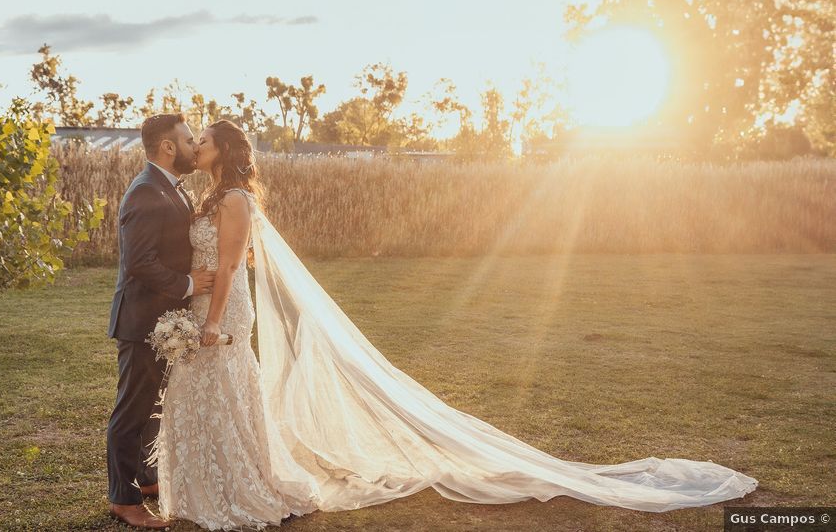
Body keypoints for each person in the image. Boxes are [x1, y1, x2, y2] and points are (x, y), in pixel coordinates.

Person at [147, 119, 759, 530]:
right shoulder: (210, 197)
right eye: (191, 140)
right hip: (203, 306)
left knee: (224, 385)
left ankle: (238, 487)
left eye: (202, 141)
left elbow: (229, 267)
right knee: (211, 394)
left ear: (224, 152)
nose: (194, 145)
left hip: (220, 314)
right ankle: (209, 486)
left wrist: (211, 322)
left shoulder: (232, 201)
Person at [106, 113, 216, 529]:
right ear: (168, 147)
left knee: (153, 403)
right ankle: (123, 499)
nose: (194, 146)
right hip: (140, 321)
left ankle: (147, 477)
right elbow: (139, 263)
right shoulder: (146, 192)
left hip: (162, 320)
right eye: (189, 140)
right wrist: (188, 284)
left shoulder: (171, 188)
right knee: (132, 410)